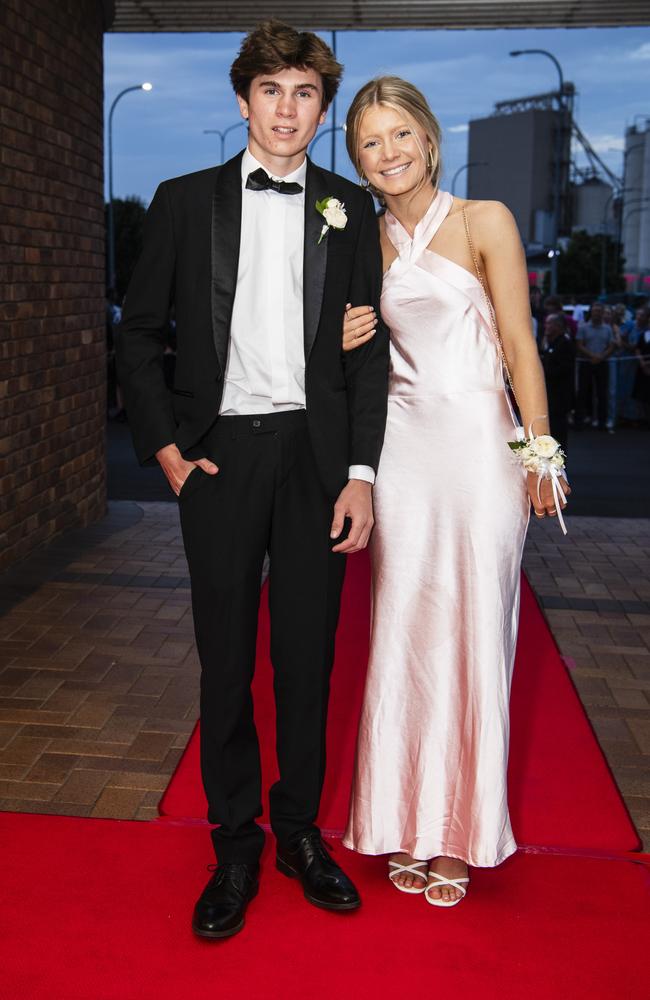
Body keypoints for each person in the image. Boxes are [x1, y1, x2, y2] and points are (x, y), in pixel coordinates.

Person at [116, 21, 389, 939]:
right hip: (220, 460)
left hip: (316, 466)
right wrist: (166, 452)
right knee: (227, 662)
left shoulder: (350, 211)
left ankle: (300, 833)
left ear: (321, 107)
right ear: (243, 102)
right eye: (271, 90)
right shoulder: (184, 202)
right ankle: (234, 841)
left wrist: (359, 474)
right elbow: (138, 335)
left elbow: (366, 360)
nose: (286, 108)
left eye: (305, 92)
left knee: (306, 661)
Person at [339, 77, 569, 907]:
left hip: (480, 452)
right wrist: (338, 337)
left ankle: (461, 835)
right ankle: (402, 819)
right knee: (400, 637)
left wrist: (540, 453)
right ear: (357, 159)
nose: (389, 152)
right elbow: (349, 365)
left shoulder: (487, 220)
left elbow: (518, 343)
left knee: (474, 637)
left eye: (401, 134)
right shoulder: (360, 242)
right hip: (402, 456)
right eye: (371, 141)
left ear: (429, 140)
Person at [539, 313, 575, 450]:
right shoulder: (553, 342)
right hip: (552, 396)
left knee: (559, 433)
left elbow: (563, 369)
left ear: (558, 326)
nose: (546, 326)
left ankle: (560, 464)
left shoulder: (564, 343)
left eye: (549, 323)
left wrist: (544, 371)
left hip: (559, 397)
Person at [575, 302, 614, 430]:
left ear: (603, 313)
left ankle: (602, 423)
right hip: (586, 363)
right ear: (591, 312)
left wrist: (601, 357)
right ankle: (579, 422)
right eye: (595, 311)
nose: (597, 313)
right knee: (583, 392)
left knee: (602, 393)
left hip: (602, 364)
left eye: (599, 311)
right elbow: (579, 344)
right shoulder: (583, 327)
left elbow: (611, 345)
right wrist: (592, 356)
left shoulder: (607, 328)